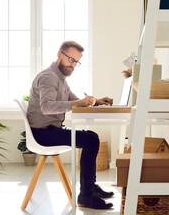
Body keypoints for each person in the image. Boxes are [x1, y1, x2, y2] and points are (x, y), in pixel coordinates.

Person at [26, 40, 114, 209]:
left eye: (76, 62)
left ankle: (90, 188)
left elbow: (75, 100)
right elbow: (46, 107)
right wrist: (78, 104)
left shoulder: (60, 79)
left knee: (91, 137)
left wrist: (96, 101)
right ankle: (86, 195)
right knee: (90, 140)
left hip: (50, 130)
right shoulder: (48, 77)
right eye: (70, 59)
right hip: (42, 134)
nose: (72, 65)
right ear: (59, 55)